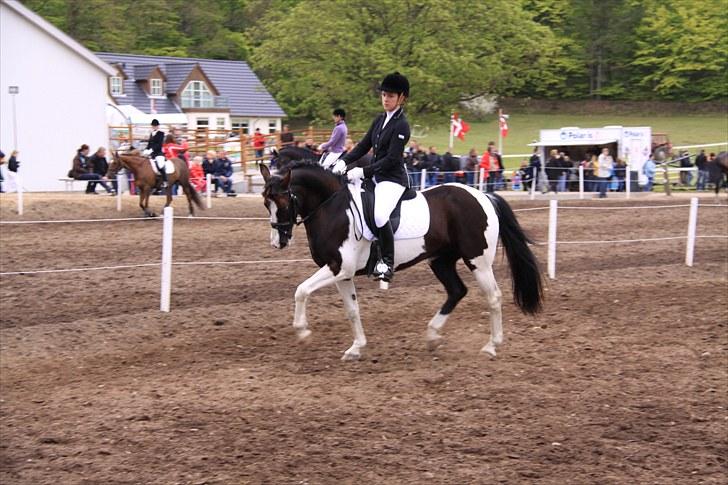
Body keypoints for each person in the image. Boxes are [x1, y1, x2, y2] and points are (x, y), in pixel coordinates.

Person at [340, 72, 411, 284]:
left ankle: (386, 263)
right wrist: (343, 162)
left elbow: (391, 159)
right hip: (376, 178)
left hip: (393, 180)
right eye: (383, 95)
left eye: (390, 95)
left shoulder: (402, 125)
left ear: (401, 98)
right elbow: (363, 146)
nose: (385, 99)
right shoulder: (379, 120)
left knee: (380, 215)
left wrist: (363, 172)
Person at [144, 119, 166, 188]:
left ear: (158, 126)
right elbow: (149, 144)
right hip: (152, 154)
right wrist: (146, 150)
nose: (154, 127)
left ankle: (165, 180)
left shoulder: (161, 133)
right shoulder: (151, 134)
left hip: (158, 153)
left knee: (160, 165)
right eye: (153, 126)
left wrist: (151, 150)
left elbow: (159, 144)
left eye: (155, 126)